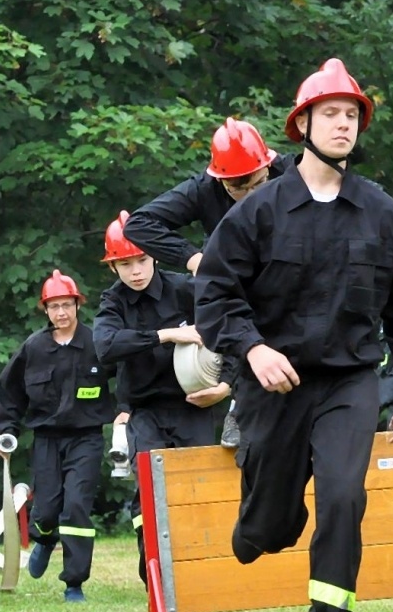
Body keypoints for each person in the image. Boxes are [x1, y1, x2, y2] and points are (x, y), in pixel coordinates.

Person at [195, 58, 393, 612]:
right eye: (329, 113)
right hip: (272, 382)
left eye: (351, 115)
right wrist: (252, 350)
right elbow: (216, 295)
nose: (342, 124)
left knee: (344, 497)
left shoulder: (383, 213)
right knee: (271, 526)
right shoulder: (258, 212)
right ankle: (260, 523)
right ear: (302, 124)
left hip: (350, 380)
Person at [94, 209, 232, 612]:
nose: (135, 271)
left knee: (191, 507)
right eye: (125, 264)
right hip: (145, 414)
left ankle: (187, 608)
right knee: (149, 509)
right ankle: (160, 604)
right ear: (114, 266)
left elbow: (236, 326)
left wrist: (226, 386)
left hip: (193, 408)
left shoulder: (186, 290)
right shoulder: (112, 302)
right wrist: (168, 334)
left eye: (141, 260)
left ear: (154, 256)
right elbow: (105, 346)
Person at [125, 119, 292, 450]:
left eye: (257, 185)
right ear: (220, 180)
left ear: (268, 165)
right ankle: (239, 404)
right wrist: (194, 259)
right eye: (236, 188)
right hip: (236, 288)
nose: (247, 196)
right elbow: (139, 225)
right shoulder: (204, 188)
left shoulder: (292, 172)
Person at [0, 270, 114, 602]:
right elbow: (8, 391)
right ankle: (44, 539)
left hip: (87, 439)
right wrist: (5, 432)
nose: (61, 312)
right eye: (54, 306)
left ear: (78, 305)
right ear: (45, 310)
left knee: (75, 507)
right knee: (45, 510)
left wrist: (125, 410)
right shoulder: (34, 347)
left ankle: (73, 583)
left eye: (67, 305)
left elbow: (128, 377)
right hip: (46, 439)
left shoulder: (97, 343)